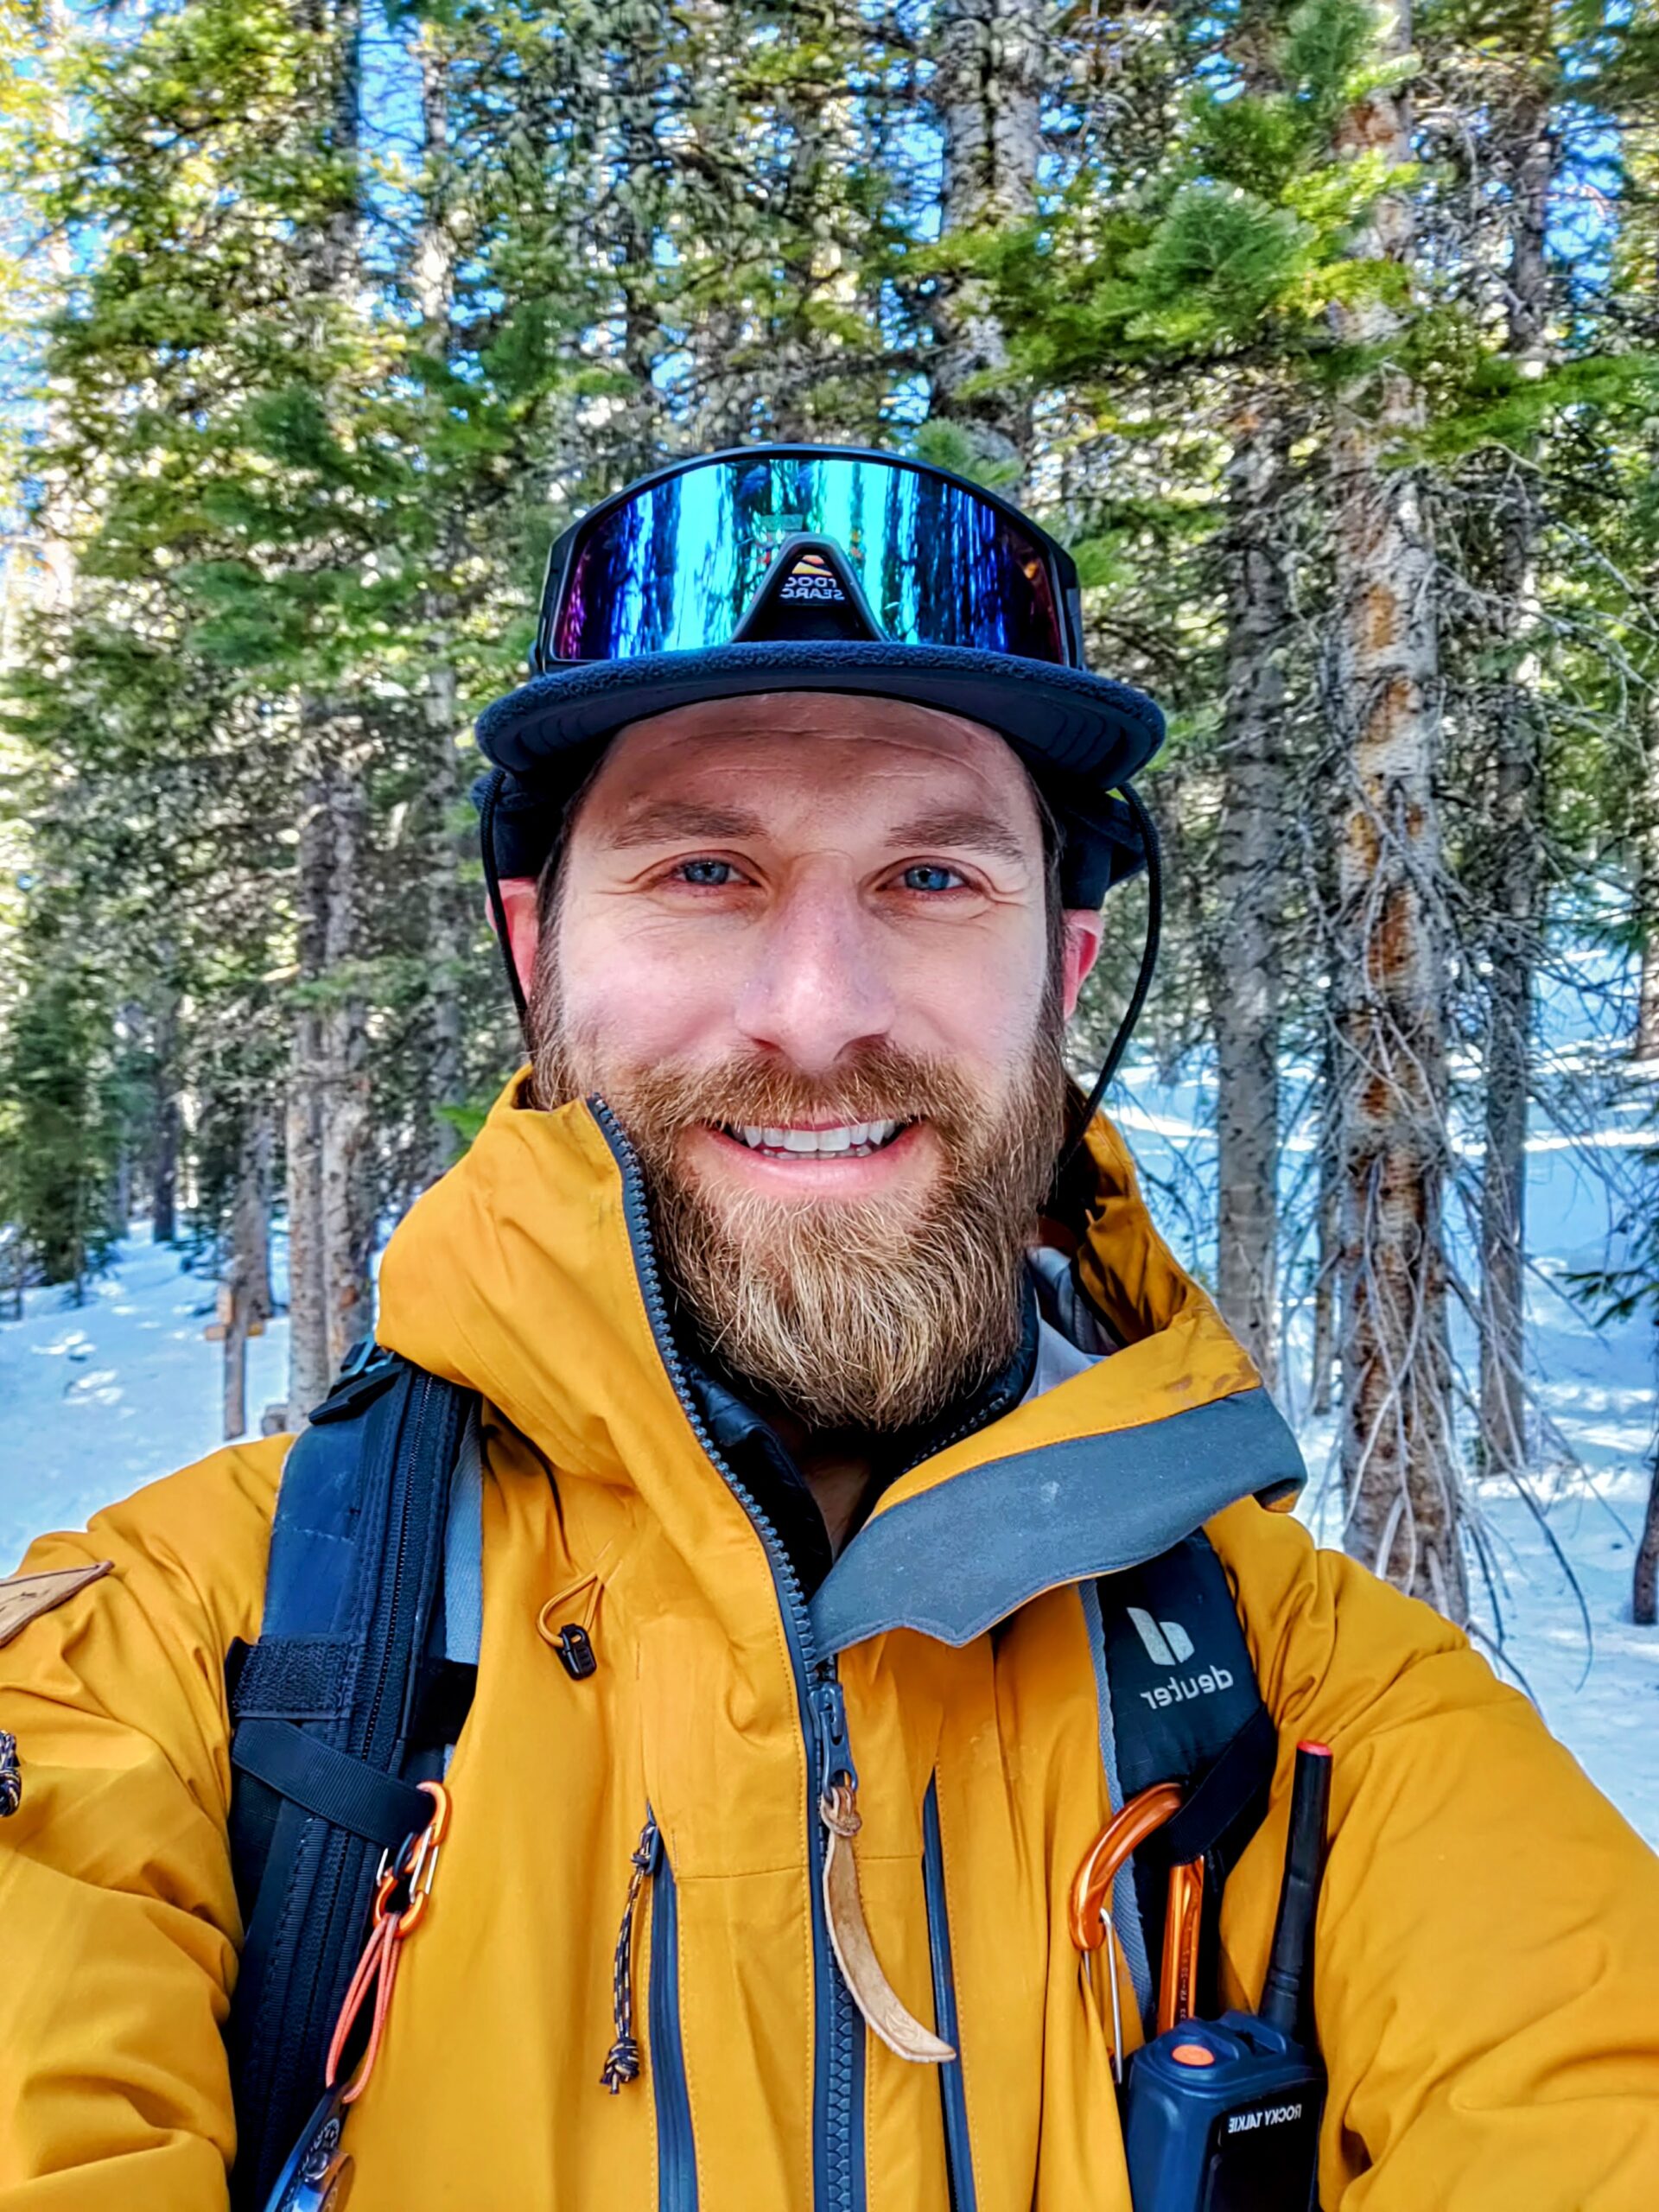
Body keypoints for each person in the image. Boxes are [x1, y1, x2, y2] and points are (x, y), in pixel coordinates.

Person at [0, 445, 1656, 2212]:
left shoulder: (1321, 1700)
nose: (817, 1012)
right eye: (705, 869)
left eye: (935, 879)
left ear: (1070, 965)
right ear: (536, 943)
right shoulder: (180, 1661)